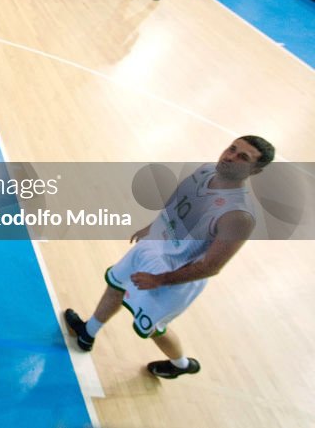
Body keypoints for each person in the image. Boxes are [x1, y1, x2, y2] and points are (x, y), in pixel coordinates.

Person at [64, 136, 275, 379]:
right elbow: (177, 204)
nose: (230, 156)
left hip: (174, 276)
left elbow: (211, 266)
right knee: (116, 285)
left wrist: (160, 280)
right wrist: (153, 227)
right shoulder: (206, 170)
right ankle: (87, 334)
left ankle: (181, 364)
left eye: (243, 157)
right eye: (232, 148)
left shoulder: (239, 215)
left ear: (255, 170)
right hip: (153, 249)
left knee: (153, 328)